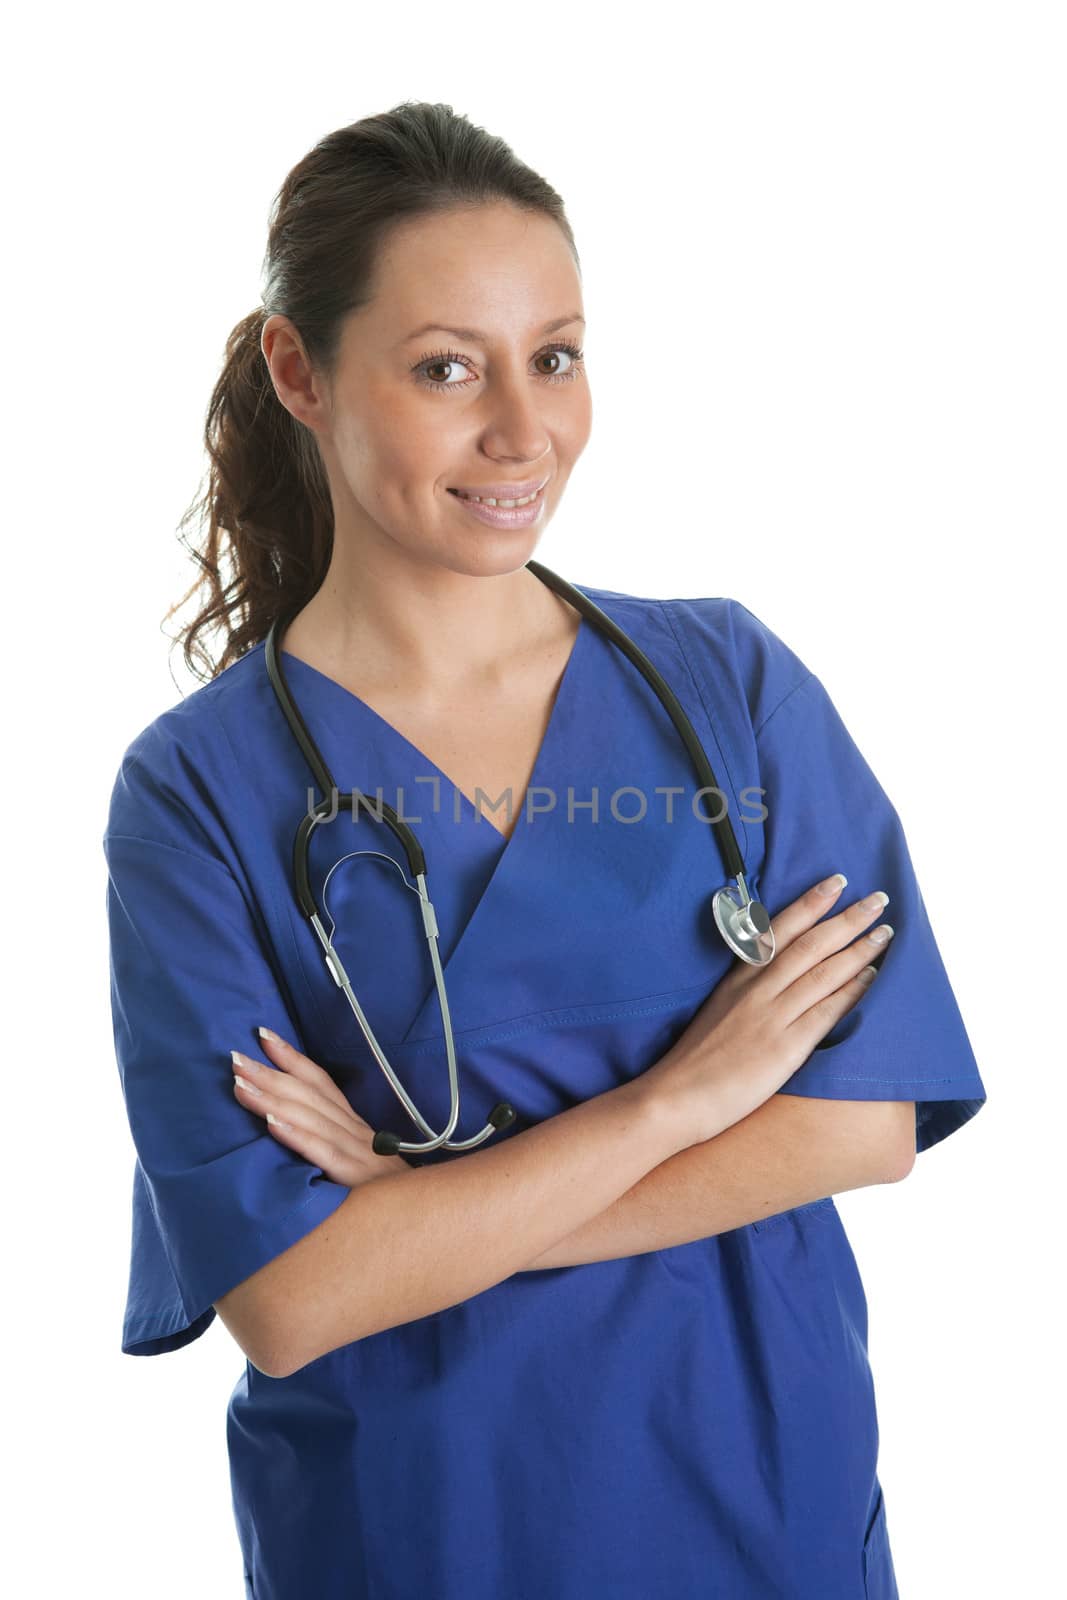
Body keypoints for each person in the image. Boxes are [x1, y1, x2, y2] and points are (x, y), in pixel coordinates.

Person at [102, 102, 987, 1600]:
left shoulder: (725, 688)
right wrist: (685, 1103)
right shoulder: (199, 796)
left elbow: (861, 1127)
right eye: (448, 367)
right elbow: (295, 1298)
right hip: (417, 1535)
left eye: (556, 357)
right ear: (298, 372)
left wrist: (419, 1205)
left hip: (763, 1507)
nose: (524, 431)